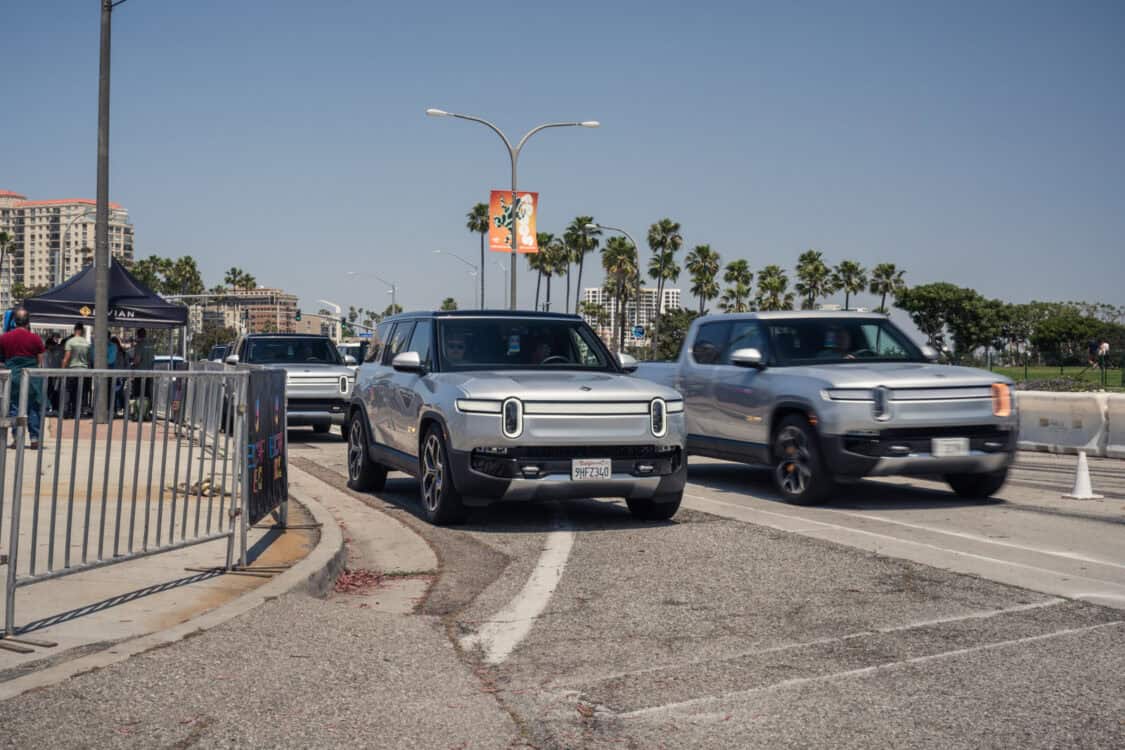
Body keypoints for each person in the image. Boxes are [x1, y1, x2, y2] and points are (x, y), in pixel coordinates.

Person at [0, 308, 46, 449]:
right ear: (28, 322)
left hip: (12, 377)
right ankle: (34, 439)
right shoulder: (35, 338)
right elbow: (40, 361)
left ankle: (16, 438)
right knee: (32, 407)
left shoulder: (4, 338)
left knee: (14, 406)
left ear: (14, 321)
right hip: (31, 377)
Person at [61, 323, 90, 418]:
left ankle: (69, 411)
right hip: (84, 370)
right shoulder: (86, 343)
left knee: (70, 391)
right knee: (82, 392)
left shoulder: (70, 342)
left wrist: (62, 370)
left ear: (75, 330)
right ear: (82, 331)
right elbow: (89, 359)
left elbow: (66, 358)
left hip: (73, 370)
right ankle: (79, 412)